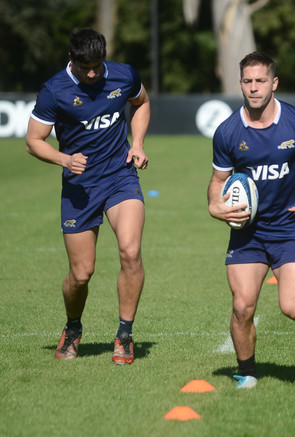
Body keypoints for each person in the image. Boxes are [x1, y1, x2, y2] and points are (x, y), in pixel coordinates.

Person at [207, 51, 295, 389]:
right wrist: (214, 205)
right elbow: (218, 181)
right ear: (240, 83)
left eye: (260, 81)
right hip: (247, 232)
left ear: (274, 83)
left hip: (289, 229)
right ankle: (247, 371)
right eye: (248, 81)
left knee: (293, 309)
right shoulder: (227, 132)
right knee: (242, 307)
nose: (254, 88)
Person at [25, 28, 150, 365]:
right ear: (71, 60)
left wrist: (136, 144)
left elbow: (141, 103)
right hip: (80, 188)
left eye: (96, 66)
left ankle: (125, 334)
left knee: (131, 251)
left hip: (120, 177)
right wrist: (64, 159)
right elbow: (34, 140)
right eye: (85, 68)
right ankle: (73, 327)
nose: (92, 73)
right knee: (81, 274)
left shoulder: (124, 75)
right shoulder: (55, 90)